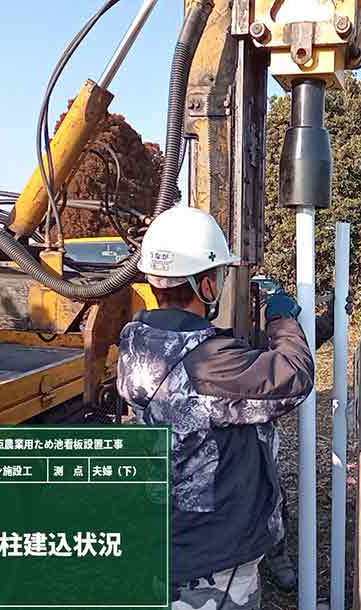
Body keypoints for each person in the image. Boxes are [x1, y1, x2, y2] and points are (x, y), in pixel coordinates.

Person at [117, 206, 315, 610]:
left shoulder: (137, 337)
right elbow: (294, 377)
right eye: (220, 275)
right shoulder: (210, 363)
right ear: (206, 284)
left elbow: (227, 367)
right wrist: (281, 320)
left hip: (168, 535)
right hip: (214, 559)